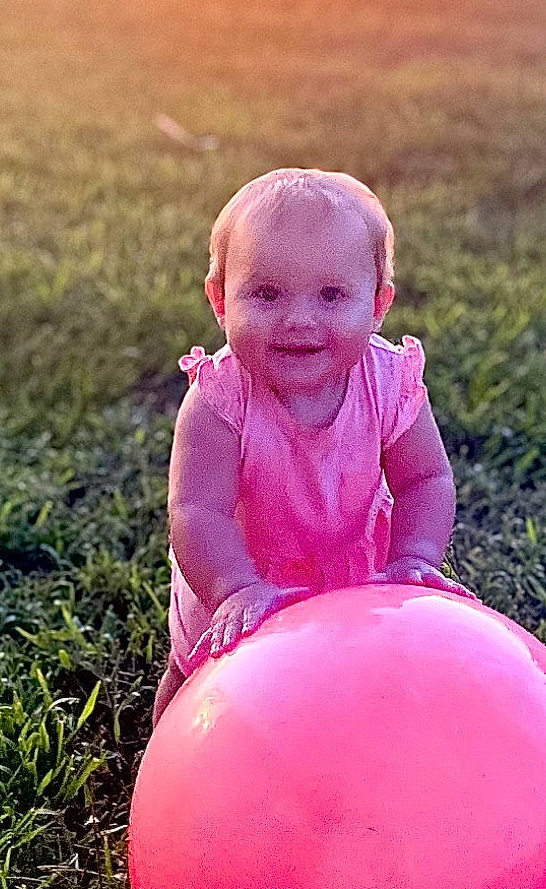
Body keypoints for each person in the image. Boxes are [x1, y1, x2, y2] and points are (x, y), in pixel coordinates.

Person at [155, 167, 467, 719]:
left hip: (351, 568)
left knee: (345, 686)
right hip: (238, 575)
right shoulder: (220, 398)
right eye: (267, 294)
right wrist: (235, 590)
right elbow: (196, 510)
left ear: (377, 304)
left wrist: (415, 559)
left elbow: (426, 479)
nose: (299, 320)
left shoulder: (389, 383)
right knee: (196, 682)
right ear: (220, 300)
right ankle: (163, 762)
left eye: (330, 295)